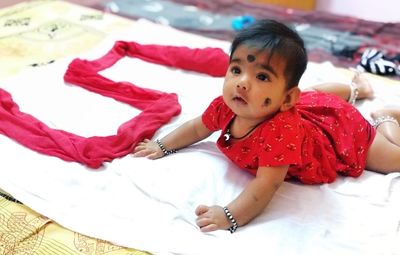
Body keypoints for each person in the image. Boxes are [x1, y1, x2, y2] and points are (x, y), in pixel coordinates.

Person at [133, 19, 400, 234]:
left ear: (285, 99)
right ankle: (357, 87)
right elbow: (196, 128)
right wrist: (162, 144)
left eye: (261, 76)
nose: (242, 83)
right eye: (236, 70)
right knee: (312, 94)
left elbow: (266, 184)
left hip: (339, 132)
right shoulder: (229, 104)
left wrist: (230, 215)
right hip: (309, 105)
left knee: (394, 159)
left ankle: (385, 116)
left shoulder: (279, 132)